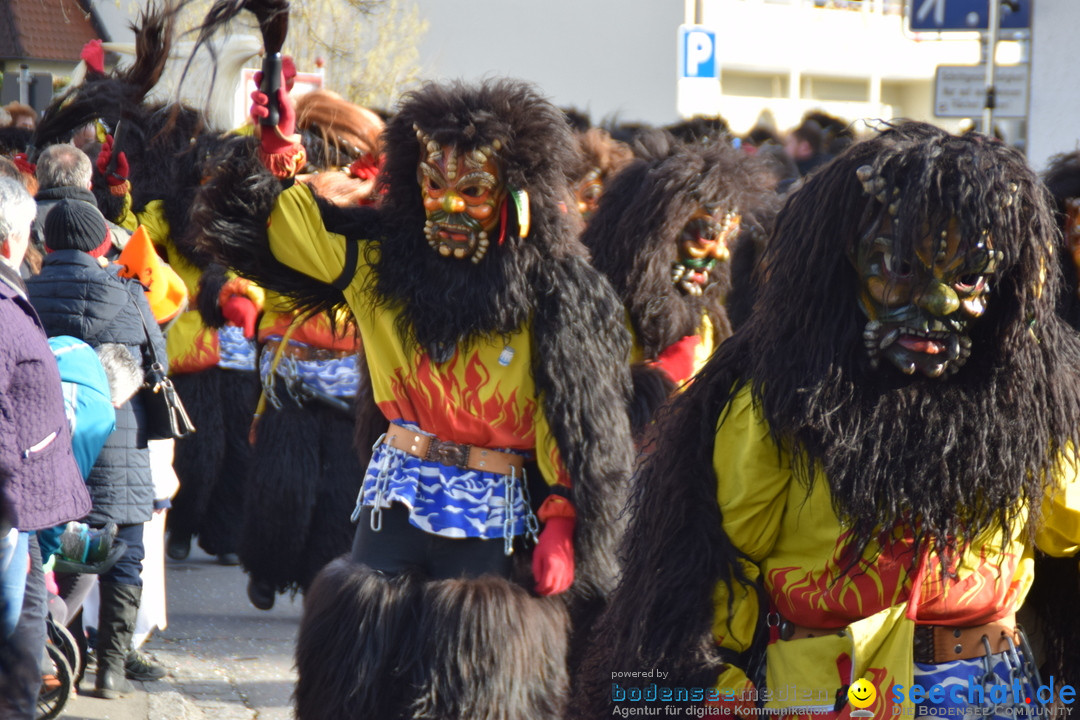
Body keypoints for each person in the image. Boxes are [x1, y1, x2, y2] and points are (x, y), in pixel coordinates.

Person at [574, 122, 1080, 719]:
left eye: (968, 278)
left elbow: (1064, 529)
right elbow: (716, 560)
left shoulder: (1030, 399)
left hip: (985, 687)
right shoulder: (774, 396)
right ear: (845, 268)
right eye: (899, 270)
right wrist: (717, 690)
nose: (938, 303)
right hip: (822, 691)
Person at [192, 75, 634, 719]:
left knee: (471, 678)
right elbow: (282, 230)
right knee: (360, 669)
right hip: (397, 486)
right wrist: (276, 148)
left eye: (473, 192)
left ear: (516, 197)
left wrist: (565, 520)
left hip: (493, 503)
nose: (450, 208)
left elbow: (577, 416)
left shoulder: (558, 290)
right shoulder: (375, 259)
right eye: (435, 188)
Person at [25, 198, 167, 699]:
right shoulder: (128, 295)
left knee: (44, 547)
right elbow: (158, 365)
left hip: (45, 439)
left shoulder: (25, 290)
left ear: (45, 242)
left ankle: (54, 652)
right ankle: (110, 671)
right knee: (124, 555)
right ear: (103, 243)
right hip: (118, 438)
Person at [580, 135, 778, 435]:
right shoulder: (594, 310)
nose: (721, 252)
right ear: (657, 234)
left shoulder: (709, 323)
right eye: (706, 235)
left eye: (729, 238)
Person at [0, 176, 92, 718]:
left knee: (23, 663)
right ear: (11, 237)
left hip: (19, 518)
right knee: (16, 667)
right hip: (9, 517)